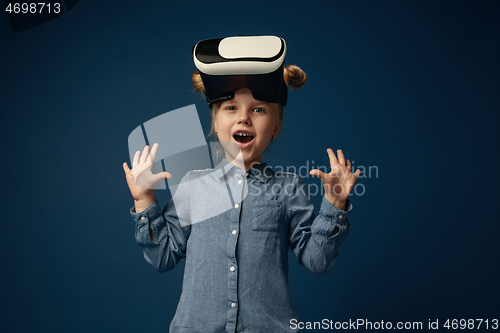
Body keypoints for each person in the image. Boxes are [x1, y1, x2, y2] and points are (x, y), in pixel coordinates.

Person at [122, 36, 360, 333]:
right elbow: (162, 256)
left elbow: (317, 260)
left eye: (258, 109)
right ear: (215, 122)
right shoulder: (193, 186)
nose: (244, 118)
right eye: (231, 108)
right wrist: (145, 200)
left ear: (275, 127)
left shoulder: (288, 189)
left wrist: (334, 206)